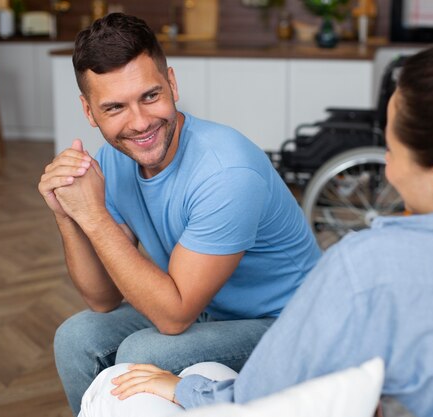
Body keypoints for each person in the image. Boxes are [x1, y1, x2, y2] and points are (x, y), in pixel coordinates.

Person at [81, 40, 433, 417]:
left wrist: (185, 388)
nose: (388, 170)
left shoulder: (367, 268)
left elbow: (266, 396)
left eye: (394, 152)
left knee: (126, 385)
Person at [37, 13, 321, 416]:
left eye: (150, 96)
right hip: (212, 313)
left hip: (293, 327)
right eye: (114, 107)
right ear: (88, 111)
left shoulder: (226, 171)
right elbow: (102, 298)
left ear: (172, 83)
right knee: (76, 336)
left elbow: (173, 316)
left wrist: (95, 216)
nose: (139, 123)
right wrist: (69, 215)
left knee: (144, 349)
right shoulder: (114, 161)